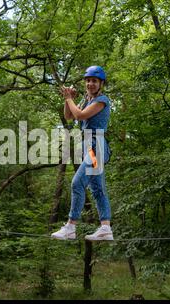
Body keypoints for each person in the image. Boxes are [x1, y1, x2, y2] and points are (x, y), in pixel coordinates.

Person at [51, 65, 113, 241]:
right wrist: (67, 100)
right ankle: (105, 228)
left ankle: (71, 226)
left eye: (94, 81)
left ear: (101, 83)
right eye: (88, 81)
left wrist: (69, 97)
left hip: (97, 147)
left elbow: (79, 116)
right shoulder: (87, 100)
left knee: (77, 183)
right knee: (97, 189)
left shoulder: (102, 100)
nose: (90, 84)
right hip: (90, 148)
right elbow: (69, 116)